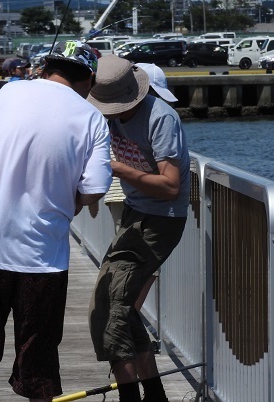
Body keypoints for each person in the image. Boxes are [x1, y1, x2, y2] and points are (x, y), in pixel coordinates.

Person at [0, 40, 113, 402]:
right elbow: (94, 190)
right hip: (42, 255)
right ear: (88, 81)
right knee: (39, 358)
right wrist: (65, 201)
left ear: (45, 69)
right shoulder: (92, 118)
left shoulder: (7, 94)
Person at [86, 55, 190, 402]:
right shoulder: (107, 118)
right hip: (134, 213)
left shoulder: (160, 117)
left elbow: (171, 186)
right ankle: (154, 395)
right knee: (120, 307)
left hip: (162, 220)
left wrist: (115, 167)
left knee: (109, 311)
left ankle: (131, 397)